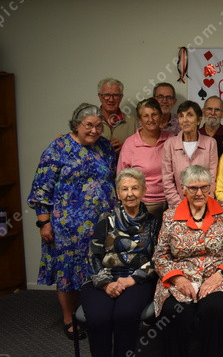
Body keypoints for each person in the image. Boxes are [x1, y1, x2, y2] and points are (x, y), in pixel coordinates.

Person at [28, 103, 117, 339]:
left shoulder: (104, 146)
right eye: (89, 125)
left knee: (98, 268)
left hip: (101, 225)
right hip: (67, 227)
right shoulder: (58, 148)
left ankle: (95, 314)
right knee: (68, 271)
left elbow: (113, 177)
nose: (94, 130)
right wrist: (43, 222)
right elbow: (41, 188)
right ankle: (69, 319)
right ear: (77, 125)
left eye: (99, 126)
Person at [152, 165, 223, 357]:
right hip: (181, 278)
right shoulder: (170, 216)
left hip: (218, 278)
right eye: (193, 188)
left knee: (214, 309)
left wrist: (219, 276)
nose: (199, 193)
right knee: (175, 312)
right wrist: (178, 279)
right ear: (183, 189)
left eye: (204, 187)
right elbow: (160, 255)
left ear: (210, 187)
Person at [81, 168, 159, 357]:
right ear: (118, 193)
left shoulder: (153, 222)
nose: (130, 194)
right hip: (103, 278)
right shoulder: (105, 219)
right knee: (99, 317)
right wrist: (106, 283)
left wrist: (133, 279)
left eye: (135, 188)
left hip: (137, 279)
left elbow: (158, 258)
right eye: (124, 189)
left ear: (144, 191)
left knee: (124, 315)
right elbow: (93, 256)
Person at [117, 98, 173, 219]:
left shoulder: (171, 139)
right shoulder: (130, 144)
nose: (150, 119)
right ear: (140, 119)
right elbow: (121, 178)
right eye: (145, 116)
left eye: (154, 115)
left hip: (171, 202)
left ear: (160, 116)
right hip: (142, 205)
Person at [162, 100, 218, 208]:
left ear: (199, 120)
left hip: (204, 205)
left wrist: (204, 204)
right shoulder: (170, 144)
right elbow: (167, 180)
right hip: (177, 205)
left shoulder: (210, 143)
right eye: (181, 116)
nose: (185, 120)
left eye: (190, 115)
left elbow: (212, 178)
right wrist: (179, 205)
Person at [98, 78, 137, 152]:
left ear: (121, 97)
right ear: (100, 97)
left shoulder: (132, 122)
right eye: (107, 95)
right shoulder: (90, 122)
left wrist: (125, 148)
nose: (111, 99)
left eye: (116, 95)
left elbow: (140, 151)